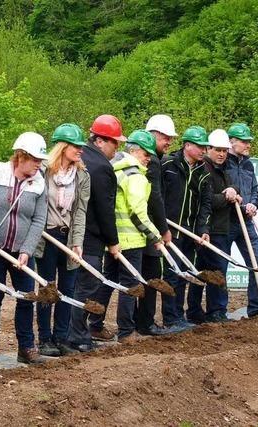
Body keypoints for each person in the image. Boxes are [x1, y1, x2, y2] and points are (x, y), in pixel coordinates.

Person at [0, 132, 48, 364]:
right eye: (35, 159)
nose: (39, 164)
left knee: (27, 297)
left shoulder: (39, 183)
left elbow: (39, 220)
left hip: (22, 252)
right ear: (21, 156)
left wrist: (27, 250)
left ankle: (26, 347)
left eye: (41, 160)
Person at [89, 130, 162, 342]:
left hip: (113, 239)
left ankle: (94, 324)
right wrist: (155, 236)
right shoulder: (136, 176)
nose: (149, 158)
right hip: (131, 239)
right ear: (135, 150)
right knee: (131, 286)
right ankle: (126, 331)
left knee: (109, 281)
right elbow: (137, 213)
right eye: (146, 154)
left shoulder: (114, 169)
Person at [67, 115, 123, 351]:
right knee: (87, 285)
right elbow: (104, 208)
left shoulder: (85, 158)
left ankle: (70, 333)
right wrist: (113, 241)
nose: (116, 148)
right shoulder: (101, 167)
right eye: (114, 142)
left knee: (75, 284)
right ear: (99, 140)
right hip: (89, 236)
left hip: (74, 232)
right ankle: (77, 335)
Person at [34, 124, 90, 357]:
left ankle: (61, 337)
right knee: (48, 288)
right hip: (46, 236)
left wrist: (77, 242)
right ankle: (45, 339)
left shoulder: (82, 175)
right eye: (75, 146)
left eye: (80, 147)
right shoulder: (43, 171)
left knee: (68, 288)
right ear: (62, 147)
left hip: (68, 238)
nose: (80, 150)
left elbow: (80, 212)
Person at [161, 126, 212, 329]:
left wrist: (203, 231)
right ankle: (170, 318)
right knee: (171, 275)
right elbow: (158, 197)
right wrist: (161, 225)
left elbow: (205, 205)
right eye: (200, 146)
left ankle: (179, 316)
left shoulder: (203, 173)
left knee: (184, 275)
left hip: (189, 232)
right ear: (187, 145)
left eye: (205, 147)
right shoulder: (169, 165)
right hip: (169, 229)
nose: (203, 151)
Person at [189, 129, 238, 322]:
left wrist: (233, 190)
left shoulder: (223, 169)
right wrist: (227, 197)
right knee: (212, 273)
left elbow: (234, 186)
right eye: (218, 150)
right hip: (210, 229)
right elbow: (206, 202)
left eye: (225, 150)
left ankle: (199, 311)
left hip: (219, 229)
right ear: (208, 148)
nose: (222, 154)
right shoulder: (205, 170)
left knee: (204, 272)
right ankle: (215, 311)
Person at [136, 114, 176, 336]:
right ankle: (145, 322)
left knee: (141, 275)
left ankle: (139, 321)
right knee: (150, 274)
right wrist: (163, 229)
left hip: (142, 228)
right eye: (165, 137)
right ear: (152, 134)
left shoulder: (154, 160)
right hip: (146, 229)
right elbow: (155, 198)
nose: (168, 142)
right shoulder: (151, 161)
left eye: (170, 138)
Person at [225, 123, 258, 318]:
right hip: (226, 221)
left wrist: (253, 204)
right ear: (231, 142)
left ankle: (257, 308)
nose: (248, 145)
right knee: (219, 266)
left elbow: (254, 190)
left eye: (248, 141)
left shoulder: (248, 164)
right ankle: (216, 312)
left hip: (246, 221)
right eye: (244, 141)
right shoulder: (223, 162)